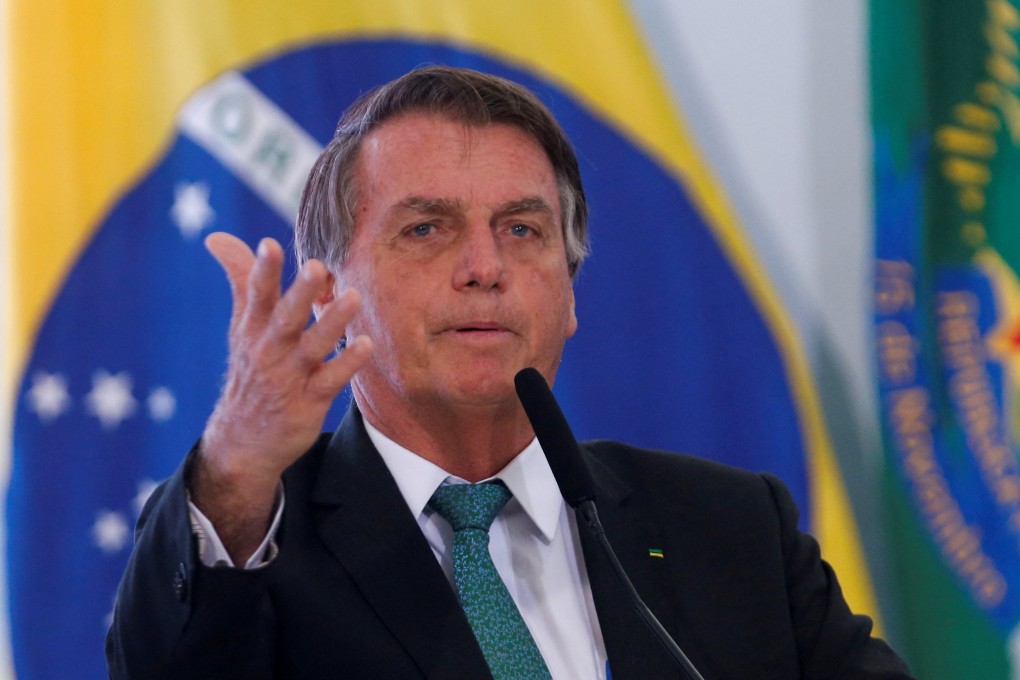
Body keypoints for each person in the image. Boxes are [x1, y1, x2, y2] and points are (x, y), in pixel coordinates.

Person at [106, 65, 913, 679]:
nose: (485, 267)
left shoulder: (731, 530)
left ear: (570, 291)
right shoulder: (250, 546)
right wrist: (238, 464)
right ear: (331, 291)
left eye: (522, 231)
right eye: (427, 229)